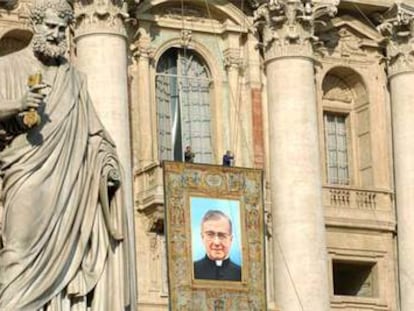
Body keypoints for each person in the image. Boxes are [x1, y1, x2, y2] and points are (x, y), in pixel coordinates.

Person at [0, 0, 135, 310]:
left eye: (62, 29)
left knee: (69, 253)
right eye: (50, 26)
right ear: (35, 25)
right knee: (16, 254)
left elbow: (95, 134)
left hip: (70, 180)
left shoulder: (74, 79)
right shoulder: (6, 66)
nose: (56, 34)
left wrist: (109, 166)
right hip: (26, 174)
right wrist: (18, 104)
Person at [194, 210, 241, 281]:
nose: (216, 242)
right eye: (210, 235)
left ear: (230, 239)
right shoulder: (191, 271)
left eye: (222, 235)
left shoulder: (242, 274)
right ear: (202, 237)